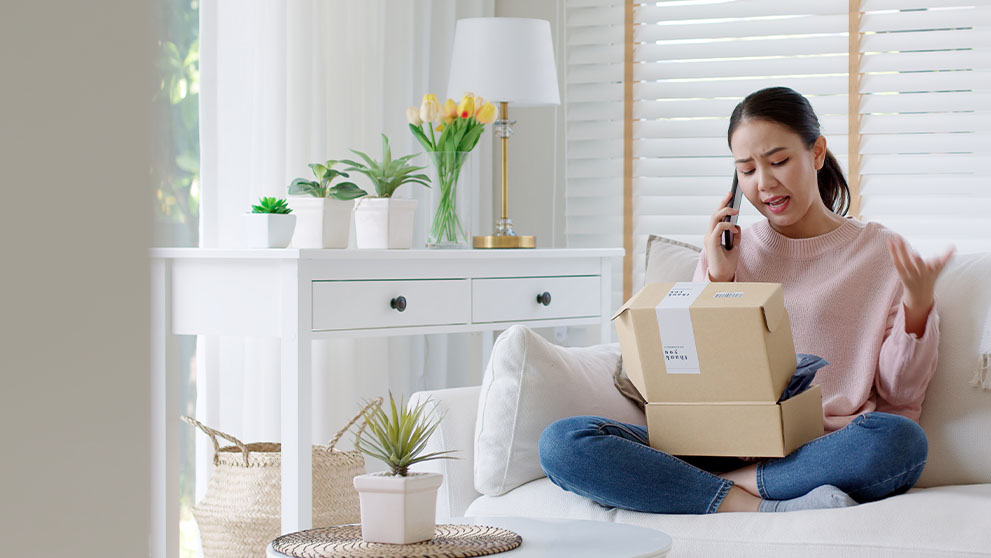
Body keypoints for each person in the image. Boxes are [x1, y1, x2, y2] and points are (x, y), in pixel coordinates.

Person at [538, 86, 955, 514]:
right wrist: (718, 276)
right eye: (747, 170)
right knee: (563, 443)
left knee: (899, 441)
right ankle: (754, 504)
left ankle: (714, 490)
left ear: (817, 153)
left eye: (778, 162)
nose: (765, 183)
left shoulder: (882, 252)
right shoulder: (731, 252)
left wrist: (917, 309)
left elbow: (900, 391)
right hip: (713, 442)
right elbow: (689, 377)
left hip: (816, 449)